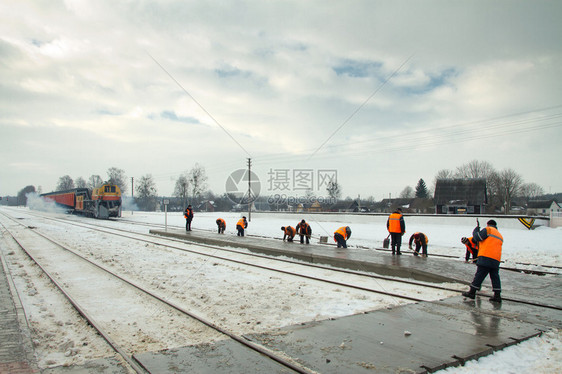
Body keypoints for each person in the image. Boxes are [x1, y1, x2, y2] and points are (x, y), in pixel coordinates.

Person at [462, 220, 503, 303]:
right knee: (495, 277)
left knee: (479, 274)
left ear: (488, 224)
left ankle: (472, 292)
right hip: (496, 259)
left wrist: (476, 230)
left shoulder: (488, 230)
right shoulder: (499, 235)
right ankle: (497, 296)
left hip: (486, 256)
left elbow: (477, 238)